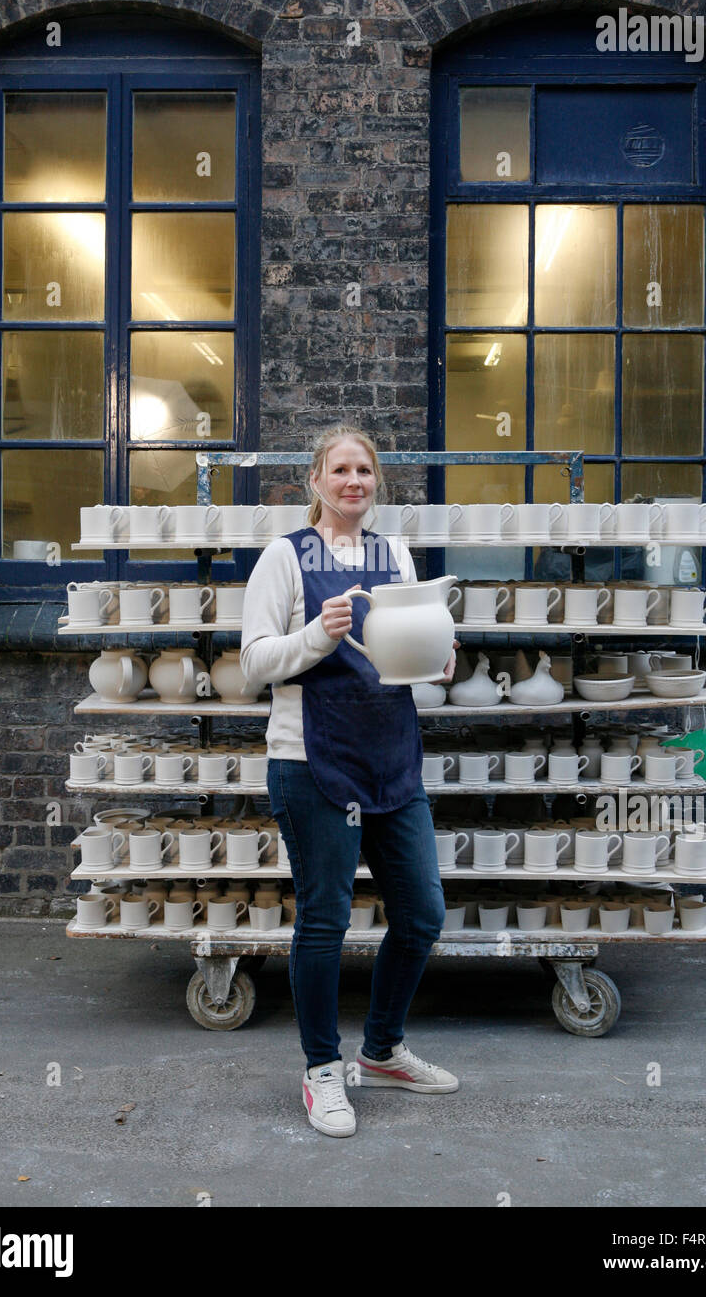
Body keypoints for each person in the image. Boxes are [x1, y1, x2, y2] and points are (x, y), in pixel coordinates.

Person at [240, 424, 460, 1138]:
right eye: (340, 470)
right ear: (315, 480)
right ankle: (321, 1073)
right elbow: (252, 661)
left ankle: (385, 1049)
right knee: (326, 920)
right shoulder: (284, 558)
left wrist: (439, 655)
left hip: (389, 750)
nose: (353, 482)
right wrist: (316, 637)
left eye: (364, 470)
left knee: (422, 911)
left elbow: (403, 648)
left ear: (376, 482)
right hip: (309, 759)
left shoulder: (393, 553)